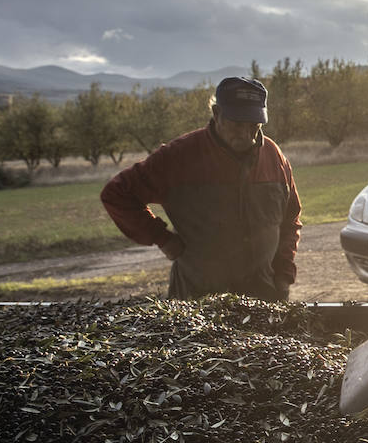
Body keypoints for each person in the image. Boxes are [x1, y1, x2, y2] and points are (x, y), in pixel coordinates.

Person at [101, 76, 302, 301]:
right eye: (237, 124)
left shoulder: (273, 157)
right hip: (197, 300)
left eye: (254, 126)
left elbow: (290, 219)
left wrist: (284, 274)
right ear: (217, 114)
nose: (246, 135)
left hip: (263, 297)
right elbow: (117, 193)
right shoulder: (179, 157)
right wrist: (162, 238)